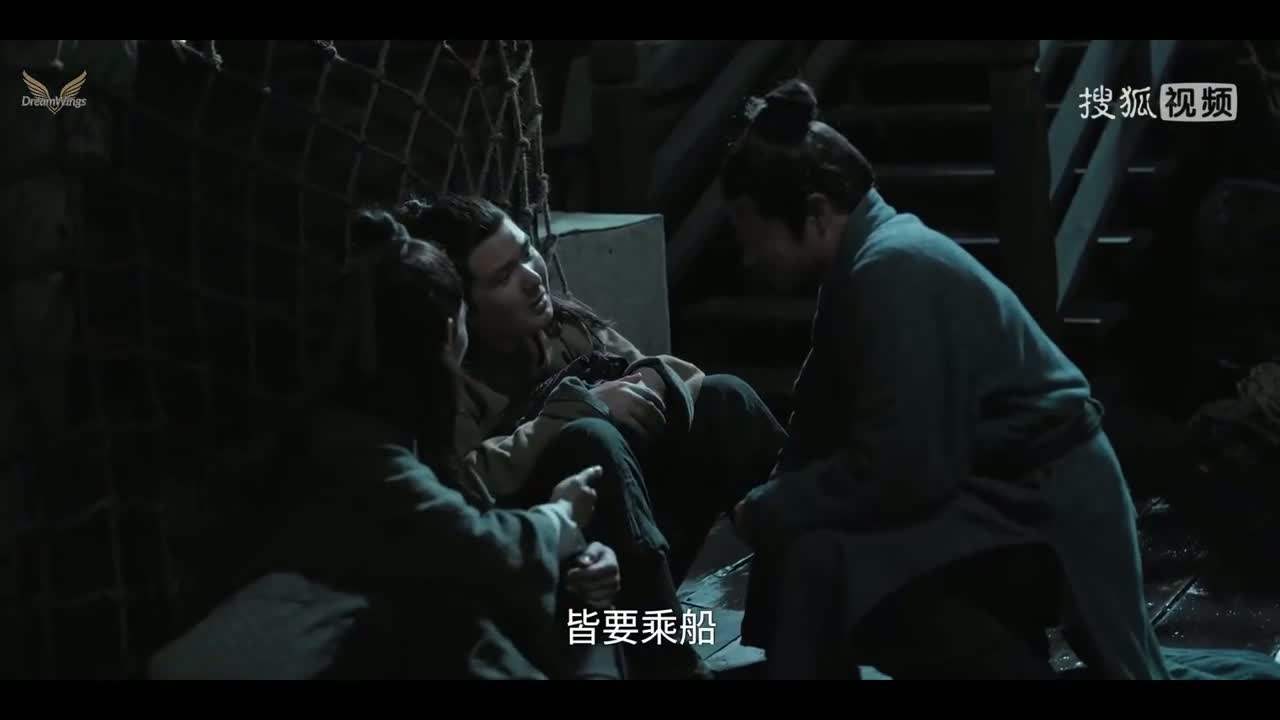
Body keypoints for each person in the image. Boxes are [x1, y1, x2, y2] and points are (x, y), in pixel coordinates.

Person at [721, 78, 1171, 680]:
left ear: (818, 213)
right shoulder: (856, 271)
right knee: (806, 544)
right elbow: (817, 419)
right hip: (986, 493)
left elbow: (905, 470)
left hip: (1041, 499)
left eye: (752, 232)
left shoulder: (894, 266)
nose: (749, 256)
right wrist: (774, 501)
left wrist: (779, 504)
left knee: (834, 562)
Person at [150, 210, 625, 680]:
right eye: (499, 277)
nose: (530, 279)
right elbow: (473, 545)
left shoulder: (374, 433)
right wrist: (559, 520)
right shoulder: (357, 453)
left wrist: (574, 559)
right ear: (449, 334)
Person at [394, 194, 788, 679]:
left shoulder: (562, 329)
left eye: (526, 252)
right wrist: (577, 410)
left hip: (629, 546)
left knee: (725, 396)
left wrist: (647, 381)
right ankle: (668, 665)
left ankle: (794, 616)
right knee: (589, 438)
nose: (532, 278)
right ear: (464, 308)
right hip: (554, 587)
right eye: (503, 277)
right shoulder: (450, 379)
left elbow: (668, 374)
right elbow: (462, 484)